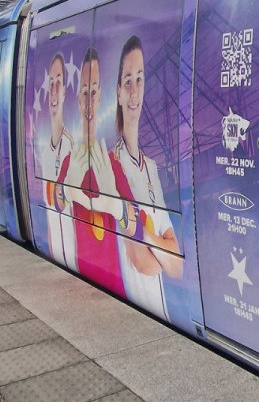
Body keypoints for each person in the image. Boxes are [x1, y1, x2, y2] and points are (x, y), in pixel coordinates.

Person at [112, 36, 183, 321]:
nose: (134, 91)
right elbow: (140, 261)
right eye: (127, 81)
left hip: (160, 310)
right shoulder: (112, 164)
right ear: (118, 92)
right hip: (134, 311)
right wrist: (162, 247)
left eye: (139, 79)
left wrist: (147, 237)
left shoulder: (151, 168)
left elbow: (178, 267)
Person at [61, 48, 127, 298]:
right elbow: (57, 200)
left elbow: (134, 222)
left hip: (114, 281)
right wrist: (68, 188)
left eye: (94, 92)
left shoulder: (113, 164)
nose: (89, 101)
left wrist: (116, 205)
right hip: (80, 278)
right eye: (85, 93)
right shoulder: (69, 161)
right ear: (79, 99)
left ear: (100, 98)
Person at [41, 53, 77, 271]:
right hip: (54, 250)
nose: (54, 91)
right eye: (51, 84)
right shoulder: (45, 152)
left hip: (69, 250)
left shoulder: (71, 147)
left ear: (64, 92)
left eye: (58, 84)